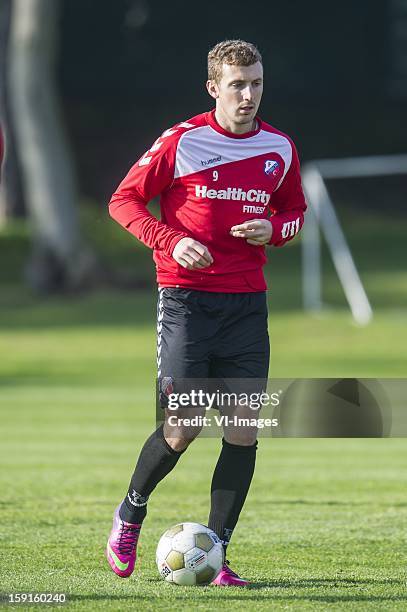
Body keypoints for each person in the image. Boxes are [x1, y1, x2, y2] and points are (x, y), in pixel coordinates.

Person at [106, 39, 307, 586]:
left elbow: (294, 211)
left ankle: (215, 554)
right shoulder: (183, 141)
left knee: (243, 432)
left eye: (257, 83)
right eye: (238, 85)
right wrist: (168, 240)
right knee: (184, 426)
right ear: (213, 87)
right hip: (187, 301)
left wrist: (276, 230)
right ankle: (130, 513)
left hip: (247, 304)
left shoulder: (279, 148)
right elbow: (123, 200)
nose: (249, 95)